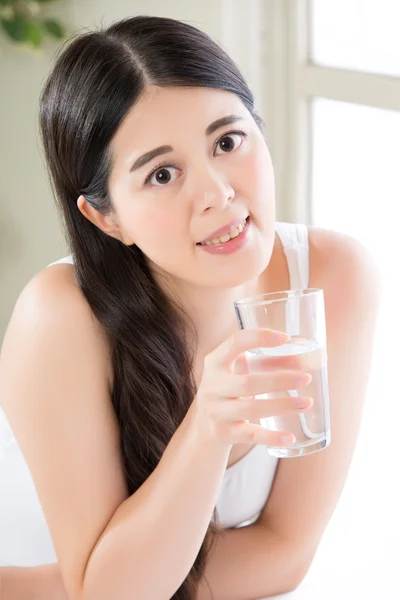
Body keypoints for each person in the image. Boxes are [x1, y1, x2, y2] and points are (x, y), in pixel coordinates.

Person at [0, 14, 381, 600]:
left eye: (228, 142)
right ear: (107, 218)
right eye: (162, 174)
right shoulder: (61, 318)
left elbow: (284, 556)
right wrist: (208, 425)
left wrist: (87, 583)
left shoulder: (335, 276)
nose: (218, 193)